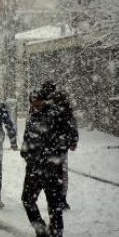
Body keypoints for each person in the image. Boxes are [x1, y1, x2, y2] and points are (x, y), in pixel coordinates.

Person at [21, 89, 73, 237]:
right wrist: (25, 151)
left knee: (54, 203)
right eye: (32, 100)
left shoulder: (55, 115)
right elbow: (27, 137)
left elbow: (65, 140)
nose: (35, 103)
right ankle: (41, 230)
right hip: (33, 167)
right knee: (27, 199)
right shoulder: (32, 116)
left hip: (51, 168)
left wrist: (53, 158)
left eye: (37, 100)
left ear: (43, 100)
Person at [39, 81, 79, 210]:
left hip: (53, 144)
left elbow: (71, 121)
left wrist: (73, 139)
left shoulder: (46, 103)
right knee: (59, 173)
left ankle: (58, 199)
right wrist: (73, 139)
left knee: (54, 173)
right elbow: (71, 121)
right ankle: (59, 199)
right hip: (56, 144)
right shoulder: (59, 101)